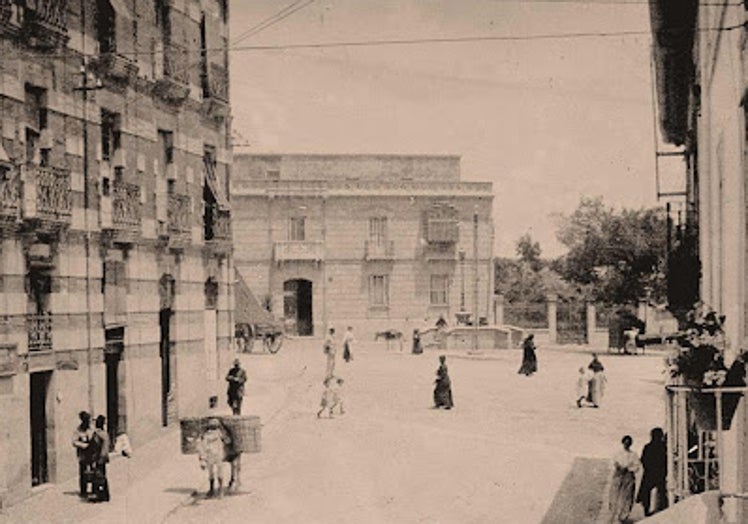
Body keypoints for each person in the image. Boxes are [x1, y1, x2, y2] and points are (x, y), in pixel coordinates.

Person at [609, 435, 641, 523]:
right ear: (622, 443)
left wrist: (628, 468)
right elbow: (612, 463)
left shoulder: (633, 454)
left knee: (628, 496)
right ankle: (615, 514)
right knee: (615, 495)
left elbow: (637, 466)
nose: (627, 445)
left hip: (628, 476)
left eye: (629, 443)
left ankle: (624, 515)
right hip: (618, 475)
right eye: (625, 443)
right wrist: (617, 466)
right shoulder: (617, 453)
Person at [637, 427, 668, 517]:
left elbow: (643, 460)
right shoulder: (663, 446)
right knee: (661, 491)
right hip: (659, 473)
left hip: (650, 472)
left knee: (646, 492)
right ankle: (662, 510)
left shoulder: (648, 447)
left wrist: (649, 468)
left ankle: (647, 511)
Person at [198, 417, 231, 498]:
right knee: (216, 472)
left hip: (214, 455)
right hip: (215, 455)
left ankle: (214, 490)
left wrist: (203, 458)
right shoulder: (216, 434)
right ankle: (218, 490)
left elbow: (203, 447)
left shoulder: (207, 435)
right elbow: (228, 441)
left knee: (212, 473)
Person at [72, 411, 94, 499]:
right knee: (83, 471)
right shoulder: (78, 430)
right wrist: (83, 445)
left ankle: (94, 488)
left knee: (93, 470)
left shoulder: (91, 428)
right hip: (83, 454)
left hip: (92, 453)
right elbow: (74, 442)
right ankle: (83, 490)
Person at [89, 415, 110, 502]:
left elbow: (98, 447)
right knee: (102, 476)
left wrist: (98, 459)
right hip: (102, 457)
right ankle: (105, 494)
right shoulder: (104, 433)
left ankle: (99, 495)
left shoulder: (98, 434)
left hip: (98, 458)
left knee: (98, 477)